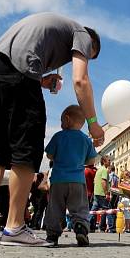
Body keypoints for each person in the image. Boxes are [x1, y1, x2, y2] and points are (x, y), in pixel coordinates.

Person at [0, 13, 103, 246]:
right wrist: (93, 124)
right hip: (19, 74)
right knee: (26, 151)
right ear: (89, 44)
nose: (79, 57)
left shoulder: (53, 26)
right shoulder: (82, 35)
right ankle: (14, 227)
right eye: (87, 55)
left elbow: (12, 60)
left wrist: (40, 80)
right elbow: (80, 80)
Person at [43, 105, 98, 247]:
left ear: (67, 120)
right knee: (79, 208)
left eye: (61, 121)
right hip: (78, 181)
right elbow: (91, 160)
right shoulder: (86, 140)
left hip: (58, 180)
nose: (61, 124)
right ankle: (80, 227)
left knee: (55, 207)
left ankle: (53, 235)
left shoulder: (58, 136)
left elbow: (49, 154)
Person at [90, 156, 111, 233]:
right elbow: (103, 182)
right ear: (104, 162)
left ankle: (89, 225)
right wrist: (106, 193)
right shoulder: (104, 170)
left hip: (96, 192)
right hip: (102, 193)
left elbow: (94, 182)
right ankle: (106, 227)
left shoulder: (98, 170)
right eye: (108, 160)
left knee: (93, 211)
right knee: (106, 210)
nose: (110, 162)